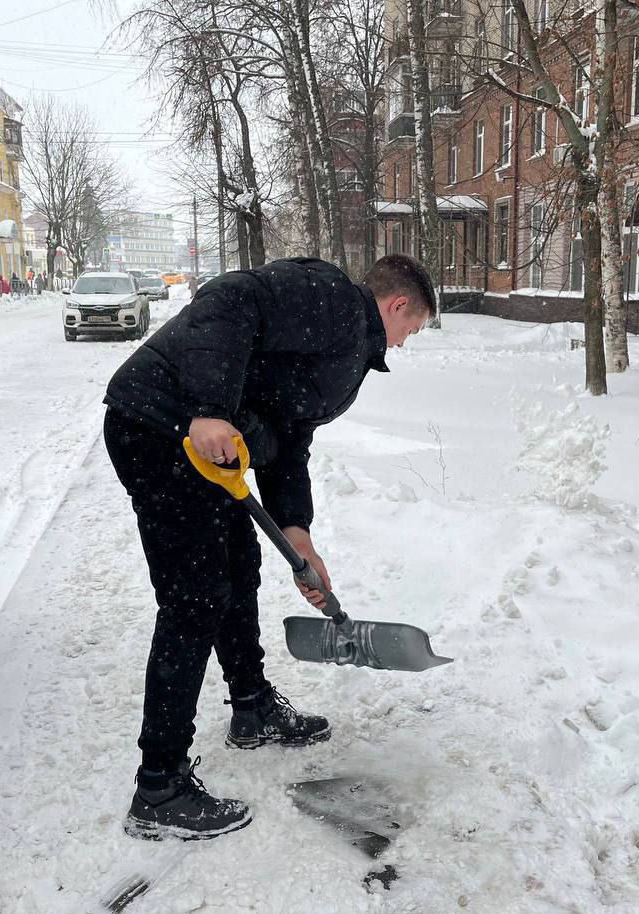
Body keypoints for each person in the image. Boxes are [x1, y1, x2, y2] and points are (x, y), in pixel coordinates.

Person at [103, 254, 434, 841]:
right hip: (160, 428)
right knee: (195, 598)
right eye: (413, 328)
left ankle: (251, 706)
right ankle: (159, 787)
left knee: (238, 567)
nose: (406, 342)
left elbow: (289, 436)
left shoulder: (343, 349)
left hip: (210, 448)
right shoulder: (332, 299)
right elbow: (230, 298)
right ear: (398, 305)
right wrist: (207, 410)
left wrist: (297, 530)